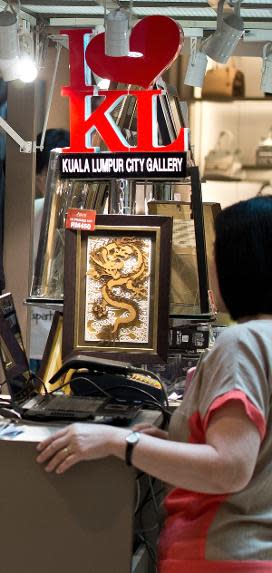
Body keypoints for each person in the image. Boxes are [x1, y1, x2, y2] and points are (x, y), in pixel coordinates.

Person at [37, 196, 272, 571]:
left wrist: (119, 441)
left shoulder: (242, 343)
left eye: (216, 253)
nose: (210, 266)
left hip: (221, 556)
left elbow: (230, 467)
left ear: (240, 261)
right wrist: (170, 446)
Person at [29, 128, 69, 370]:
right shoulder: (27, 214)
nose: (53, 181)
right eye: (46, 173)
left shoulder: (88, 218)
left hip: (67, 341)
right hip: (32, 335)